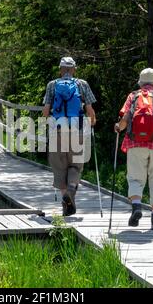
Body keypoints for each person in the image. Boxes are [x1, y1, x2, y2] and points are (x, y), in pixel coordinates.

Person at [114, 68, 153, 230]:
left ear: (140, 82)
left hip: (135, 144)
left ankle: (136, 207)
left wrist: (118, 128)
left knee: (135, 177)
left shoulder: (133, 96)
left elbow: (125, 119)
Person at [43, 57, 97, 216]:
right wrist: (92, 122)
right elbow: (89, 109)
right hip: (77, 129)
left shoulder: (52, 85)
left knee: (60, 167)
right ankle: (72, 188)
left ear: (60, 69)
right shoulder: (82, 84)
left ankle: (66, 203)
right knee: (76, 165)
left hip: (58, 130)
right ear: (74, 69)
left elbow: (46, 111)